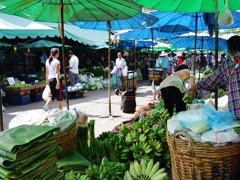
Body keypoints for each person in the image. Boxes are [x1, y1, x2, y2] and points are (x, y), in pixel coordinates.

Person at [190, 35, 240, 119]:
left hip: (236, 109)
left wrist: (197, 85)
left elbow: (211, 80)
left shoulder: (226, 64)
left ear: (230, 50)